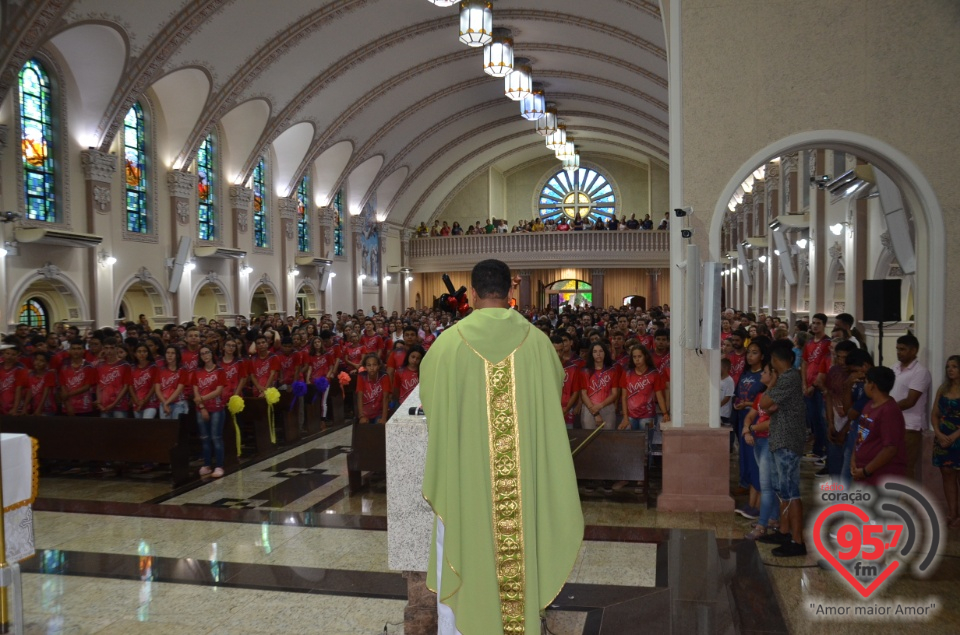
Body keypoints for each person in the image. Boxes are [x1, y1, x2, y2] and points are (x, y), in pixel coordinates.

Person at [420, 259, 583, 635]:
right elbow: (552, 396)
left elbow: (430, 400)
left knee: (466, 547)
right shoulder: (539, 344)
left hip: (466, 482)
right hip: (522, 487)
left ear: (472, 293)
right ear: (511, 291)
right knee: (520, 554)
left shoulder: (447, 345)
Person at [758, 342, 807, 557]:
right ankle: (784, 531)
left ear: (775, 361)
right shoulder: (787, 378)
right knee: (781, 488)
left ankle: (797, 541)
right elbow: (767, 407)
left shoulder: (788, 378)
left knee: (791, 491)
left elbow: (765, 401)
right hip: (780, 438)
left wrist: (771, 386)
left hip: (788, 440)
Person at [852, 366, 907, 486]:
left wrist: (866, 471)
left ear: (872, 385)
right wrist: (853, 460)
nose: (865, 385)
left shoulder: (889, 411)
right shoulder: (869, 405)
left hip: (881, 475)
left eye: (866, 382)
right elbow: (861, 437)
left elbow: (890, 449)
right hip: (862, 472)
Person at [891, 332, 932, 481]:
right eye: (897, 349)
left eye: (902, 349)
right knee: (892, 465)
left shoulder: (920, 372)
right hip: (894, 423)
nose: (898, 352)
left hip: (910, 426)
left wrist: (887, 409)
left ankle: (906, 501)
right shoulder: (894, 368)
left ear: (913, 350)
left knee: (906, 466)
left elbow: (910, 401)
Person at [932, 355, 960, 527]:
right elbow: (934, 413)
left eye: (955, 366)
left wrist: (955, 435)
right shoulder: (942, 388)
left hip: (957, 437)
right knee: (947, 475)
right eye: (948, 366)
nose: (950, 369)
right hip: (943, 437)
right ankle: (952, 513)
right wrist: (938, 432)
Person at [193, 346, 226, 478]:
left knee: (216, 437)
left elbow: (219, 390)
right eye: (202, 354)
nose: (205, 355)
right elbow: (195, 391)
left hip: (217, 407)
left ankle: (219, 465)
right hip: (201, 408)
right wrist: (201, 406)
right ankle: (206, 464)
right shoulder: (197, 372)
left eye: (207, 352)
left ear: (212, 354)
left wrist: (202, 399)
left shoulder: (219, 371)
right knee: (205, 437)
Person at [356, 353, 390, 424]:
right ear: (365, 366)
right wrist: (361, 416)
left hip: (379, 413)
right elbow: (360, 396)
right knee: (363, 424)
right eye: (369, 365)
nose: (372, 368)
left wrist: (384, 418)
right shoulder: (361, 376)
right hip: (366, 413)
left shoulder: (384, 376)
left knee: (379, 425)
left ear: (378, 366)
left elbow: (385, 397)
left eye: (374, 365)